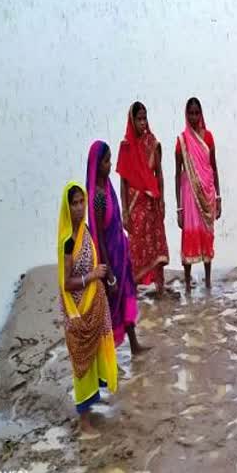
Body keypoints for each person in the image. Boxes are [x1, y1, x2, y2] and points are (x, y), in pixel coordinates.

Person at [57, 182, 118, 436]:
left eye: (82, 202)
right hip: (79, 307)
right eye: (75, 203)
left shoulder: (86, 231)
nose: (80, 208)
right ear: (67, 207)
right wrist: (93, 276)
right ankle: (83, 422)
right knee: (82, 359)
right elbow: (67, 283)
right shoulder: (69, 242)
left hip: (95, 301)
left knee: (94, 354)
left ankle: (92, 403)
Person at [86, 140, 148, 355]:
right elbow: (99, 237)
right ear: (96, 165)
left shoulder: (108, 187)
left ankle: (134, 345)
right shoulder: (98, 198)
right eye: (105, 161)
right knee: (113, 307)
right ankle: (107, 356)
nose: (109, 165)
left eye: (110, 160)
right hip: (110, 259)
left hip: (121, 254)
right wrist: (109, 272)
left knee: (127, 297)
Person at [117, 101, 169, 294]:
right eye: (139, 119)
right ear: (132, 121)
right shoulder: (125, 147)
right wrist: (124, 210)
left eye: (145, 118)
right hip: (134, 206)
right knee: (136, 246)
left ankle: (160, 287)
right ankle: (135, 289)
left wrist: (162, 199)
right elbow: (123, 182)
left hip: (151, 204)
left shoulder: (152, 143)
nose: (143, 123)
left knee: (156, 244)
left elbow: (159, 174)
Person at [175, 97, 222, 293]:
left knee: (207, 235)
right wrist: (179, 208)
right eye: (191, 113)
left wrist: (218, 198)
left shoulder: (208, 137)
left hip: (208, 193)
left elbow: (214, 167)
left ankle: (208, 281)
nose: (194, 117)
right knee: (189, 237)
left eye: (197, 113)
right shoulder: (182, 141)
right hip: (189, 196)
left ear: (201, 114)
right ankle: (187, 284)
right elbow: (177, 174)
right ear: (187, 115)